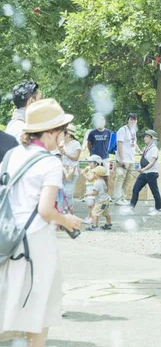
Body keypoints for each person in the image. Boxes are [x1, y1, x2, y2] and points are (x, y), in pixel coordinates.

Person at [0, 99, 82, 347]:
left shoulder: (11, 155)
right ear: (51, 132)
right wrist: (67, 220)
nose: (64, 136)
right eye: (63, 131)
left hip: (7, 238)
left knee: (8, 304)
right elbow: (45, 210)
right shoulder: (50, 162)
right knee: (39, 312)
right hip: (35, 243)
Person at [130, 129, 161, 216]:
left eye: (147, 136)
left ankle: (158, 209)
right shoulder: (146, 148)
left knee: (154, 191)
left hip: (151, 173)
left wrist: (144, 169)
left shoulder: (154, 149)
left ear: (152, 139)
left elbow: (152, 162)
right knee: (135, 189)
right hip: (144, 173)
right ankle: (131, 208)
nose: (145, 138)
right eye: (145, 136)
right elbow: (144, 157)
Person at [113, 113, 138, 206]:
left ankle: (123, 197)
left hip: (131, 159)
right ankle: (117, 198)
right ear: (128, 120)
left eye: (134, 119)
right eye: (131, 119)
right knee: (120, 178)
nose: (133, 121)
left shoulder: (133, 131)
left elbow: (134, 143)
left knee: (128, 180)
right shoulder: (122, 130)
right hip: (123, 159)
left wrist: (139, 151)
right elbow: (119, 144)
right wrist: (121, 159)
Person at [57, 124, 82, 214]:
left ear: (68, 134)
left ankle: (69, 210)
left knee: (68, 192)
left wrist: (65, 153)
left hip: (72, 171)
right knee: (60, 192)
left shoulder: (76, 144)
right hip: (62, 170)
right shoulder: (61, 143)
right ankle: (60, 210)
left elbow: (76, 157)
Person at [86, 166, 112, 231]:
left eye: (94, 173)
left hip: (101, 202)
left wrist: (87, 194)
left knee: (94, 213)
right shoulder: (103, 181)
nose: (93, 174)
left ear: (97, 174)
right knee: (106, 213)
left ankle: (94, 226)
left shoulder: (97, 183)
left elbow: (95, 193)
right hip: (105, 200)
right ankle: (108, 224)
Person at [81, 155, 103, 224]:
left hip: (93, 187)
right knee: (90, 204)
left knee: (91, 204)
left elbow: (90, 179)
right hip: (89, 187)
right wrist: (86, 170)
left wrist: (84, 174)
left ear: (96, 163)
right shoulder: (90, 169)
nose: (88, 163)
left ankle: (92, 218)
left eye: (90, 162)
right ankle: (89, 217)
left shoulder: (95, 171)